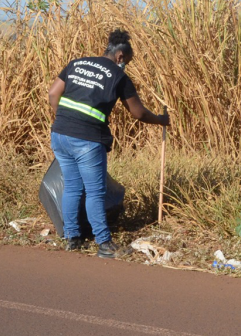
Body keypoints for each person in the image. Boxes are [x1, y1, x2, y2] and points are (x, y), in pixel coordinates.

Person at [47, 29, 169, 259]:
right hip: (88, 140)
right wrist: (161, 120)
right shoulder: (118, 75)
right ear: (120, 56)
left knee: (73, 186)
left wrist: (62, 121)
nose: (126, 66)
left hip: (60, 134)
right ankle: (104, 243)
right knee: (95, 191)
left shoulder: (77, 63)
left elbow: (54, 94)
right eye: (128, 62)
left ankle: (72, 238)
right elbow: (138, 113)